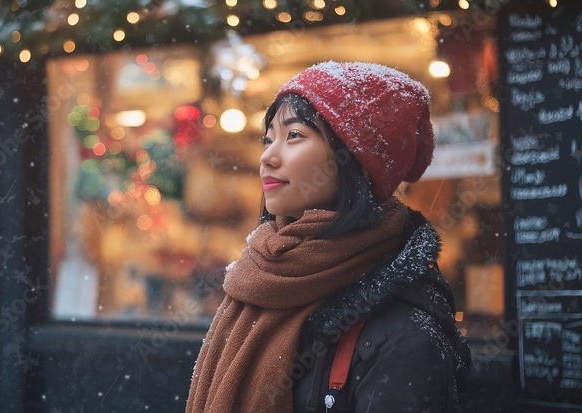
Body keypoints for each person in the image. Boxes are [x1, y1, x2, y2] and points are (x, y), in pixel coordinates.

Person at [185, 61, 471, 413]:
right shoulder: (258, 279)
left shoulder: (404, 333)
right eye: (268, 137)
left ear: (351, 159)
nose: (268, 157)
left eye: (294, 136)